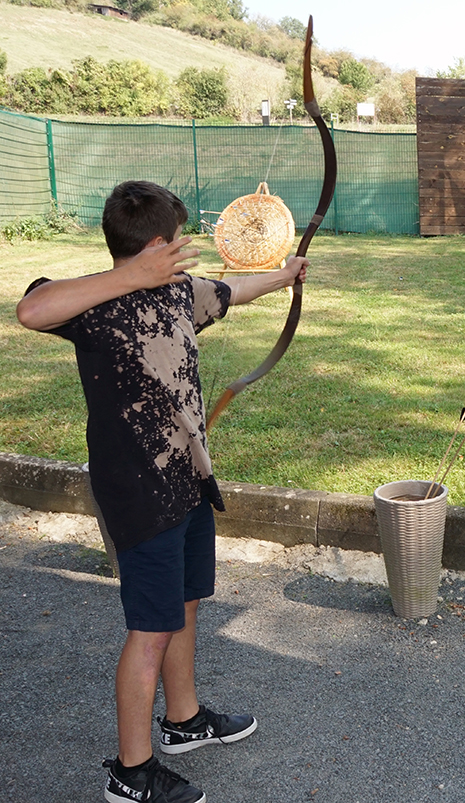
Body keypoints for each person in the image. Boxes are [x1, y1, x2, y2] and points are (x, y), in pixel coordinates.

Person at [16, 181, 309, 803]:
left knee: (185, 603)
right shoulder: (91, 307)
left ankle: (183, 720)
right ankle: (131, 771)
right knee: (150, 629)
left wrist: (286, 276)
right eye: (176, 242)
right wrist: (132, 276)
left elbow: (232, 290)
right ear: (154, 246)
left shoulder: (178, 294)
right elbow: (30, 309)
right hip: (138, 490)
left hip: (188, 477)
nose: (185, 251)